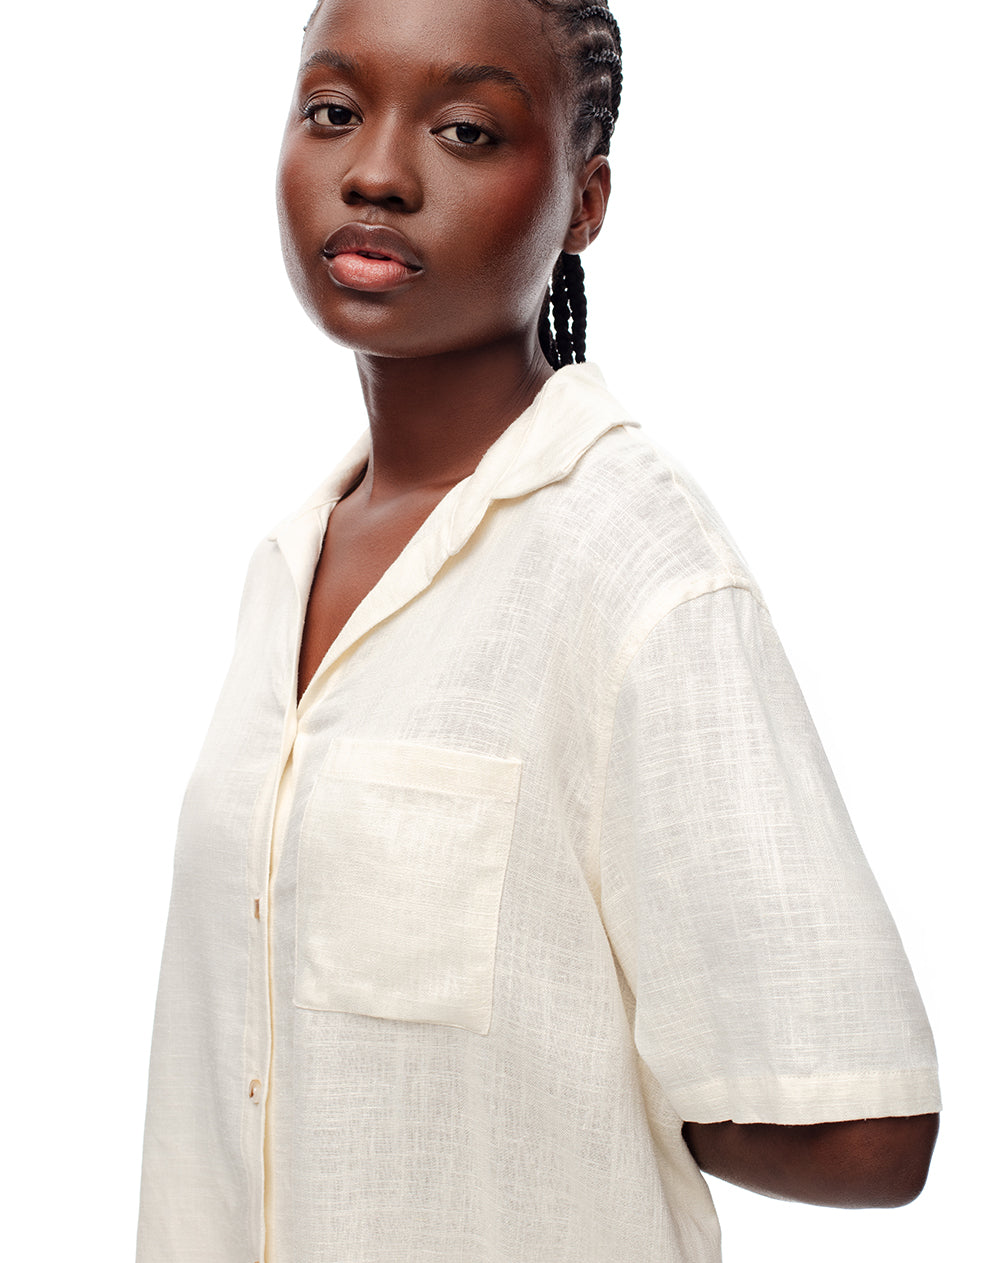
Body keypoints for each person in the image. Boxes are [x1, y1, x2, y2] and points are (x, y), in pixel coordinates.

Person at [136, 0, 940, 1259]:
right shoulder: (287, 562)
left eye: (466, 130)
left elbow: (862, 1133)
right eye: (333, 111)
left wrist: (572, 1092)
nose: (377, 173)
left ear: (583, 203)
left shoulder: (636, 570)